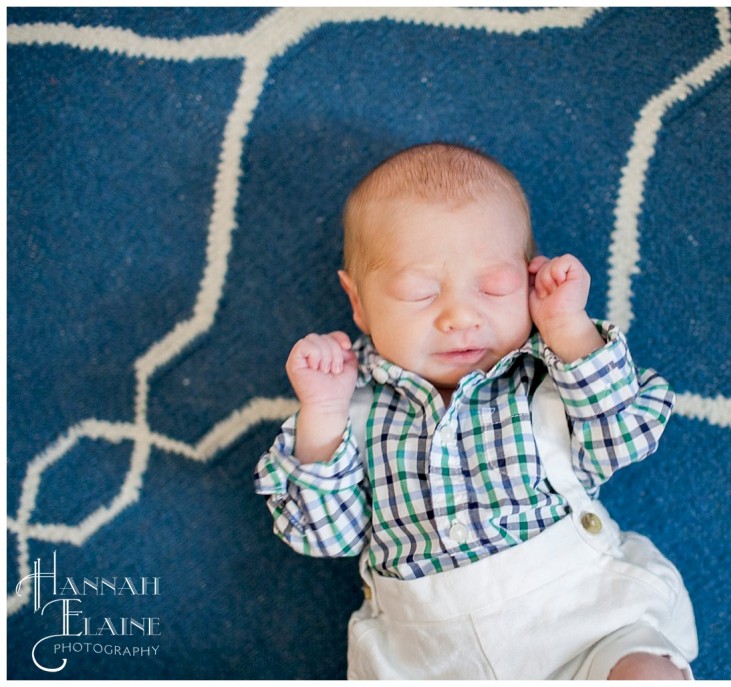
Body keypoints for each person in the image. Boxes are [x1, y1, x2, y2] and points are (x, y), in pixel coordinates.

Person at [254, 142, 698, 679]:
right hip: (428, 659)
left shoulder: (543, 378)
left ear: (530, 280)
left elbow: (625, 434)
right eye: (420, 293)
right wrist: (321, 413)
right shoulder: (354, 411)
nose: (460, 317)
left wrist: (568, 328)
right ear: (358, 303)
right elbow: (324, 535)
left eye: (494, 287)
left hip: (583, 622)